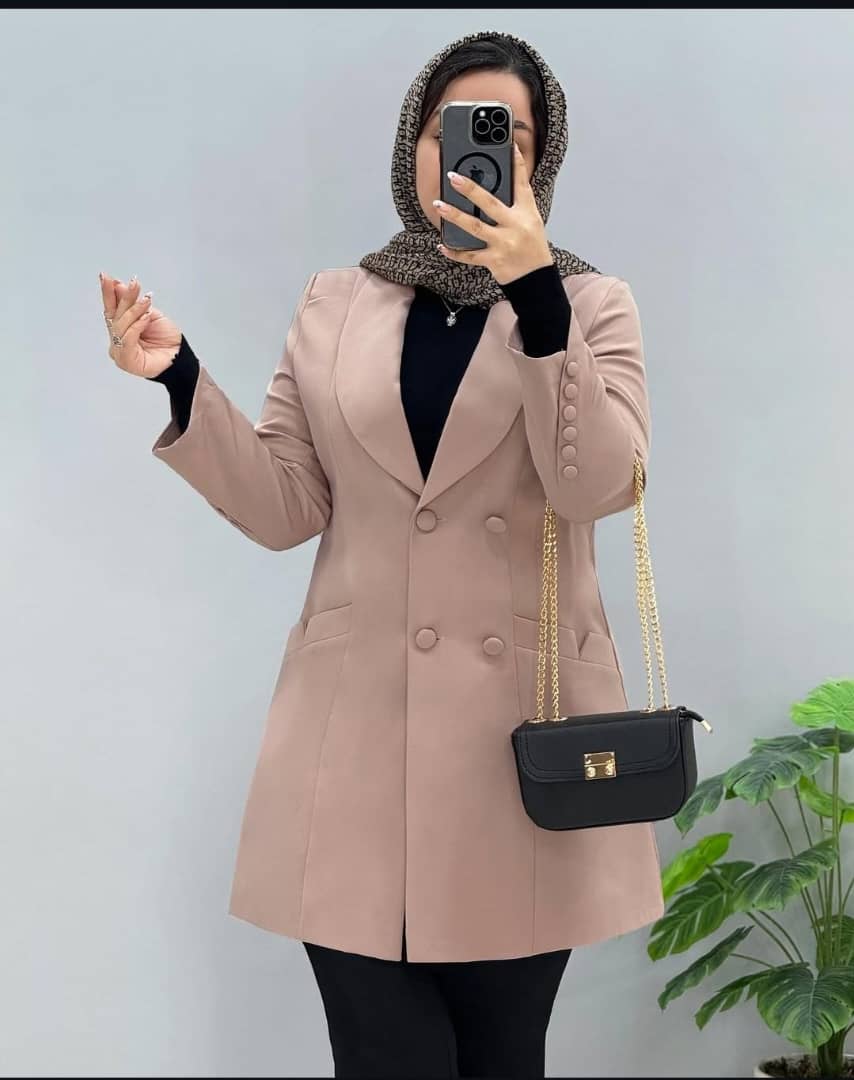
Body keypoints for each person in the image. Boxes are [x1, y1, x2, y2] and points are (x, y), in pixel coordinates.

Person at [100, 29, 663, 1080]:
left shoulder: (589, 305)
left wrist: (537, 298)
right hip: (355, 753)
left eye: (507, 135)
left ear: (539, 161)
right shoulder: (335, 302)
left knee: (501, 1057)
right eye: (453, 129)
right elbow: (286, 505)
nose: (475, 152)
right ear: (413, 144)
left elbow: (599, 486)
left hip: (520, 759)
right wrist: (180, 380)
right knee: (380, 1056)